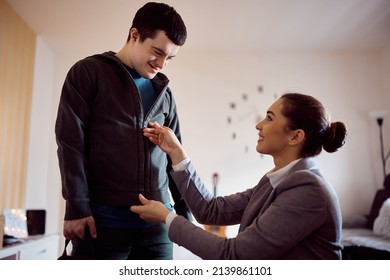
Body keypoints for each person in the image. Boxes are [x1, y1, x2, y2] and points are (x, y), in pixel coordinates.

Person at [131, 92, 348, 259]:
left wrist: (167, 217)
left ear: (295, 136)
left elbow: (234, 256)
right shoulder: (277, 180)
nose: (259, 125)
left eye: (269, 118)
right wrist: (177, 153)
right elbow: (210, 211)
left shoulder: (307, 190)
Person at [55, 2, 190, 260]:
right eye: (157, 52)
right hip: (102, 223)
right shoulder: (88, 72)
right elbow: (70, 144)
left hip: (157, 229)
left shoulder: (165, 94)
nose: (162, 64)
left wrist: (184, 214)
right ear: (135, 35)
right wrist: (76, 207)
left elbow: (176, 157)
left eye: (169, 58)